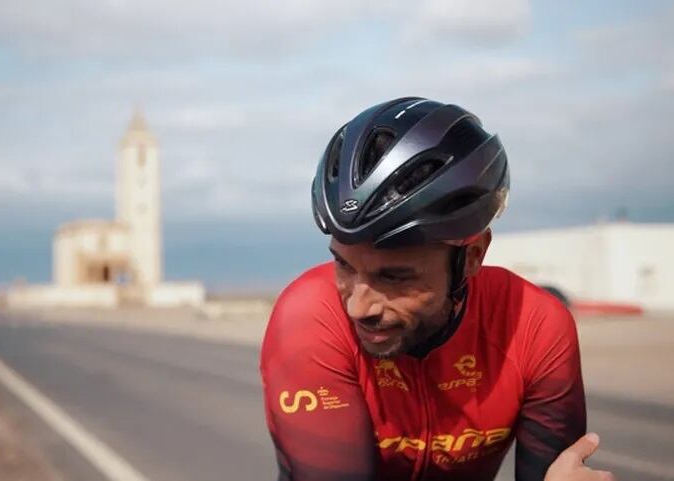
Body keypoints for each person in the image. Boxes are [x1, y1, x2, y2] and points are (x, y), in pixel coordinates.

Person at [260, 97, 614, 481]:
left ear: (473, 254)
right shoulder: (309, 316)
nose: (358, 307)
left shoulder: (535, 326)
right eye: (343, 265)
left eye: (394, 277)